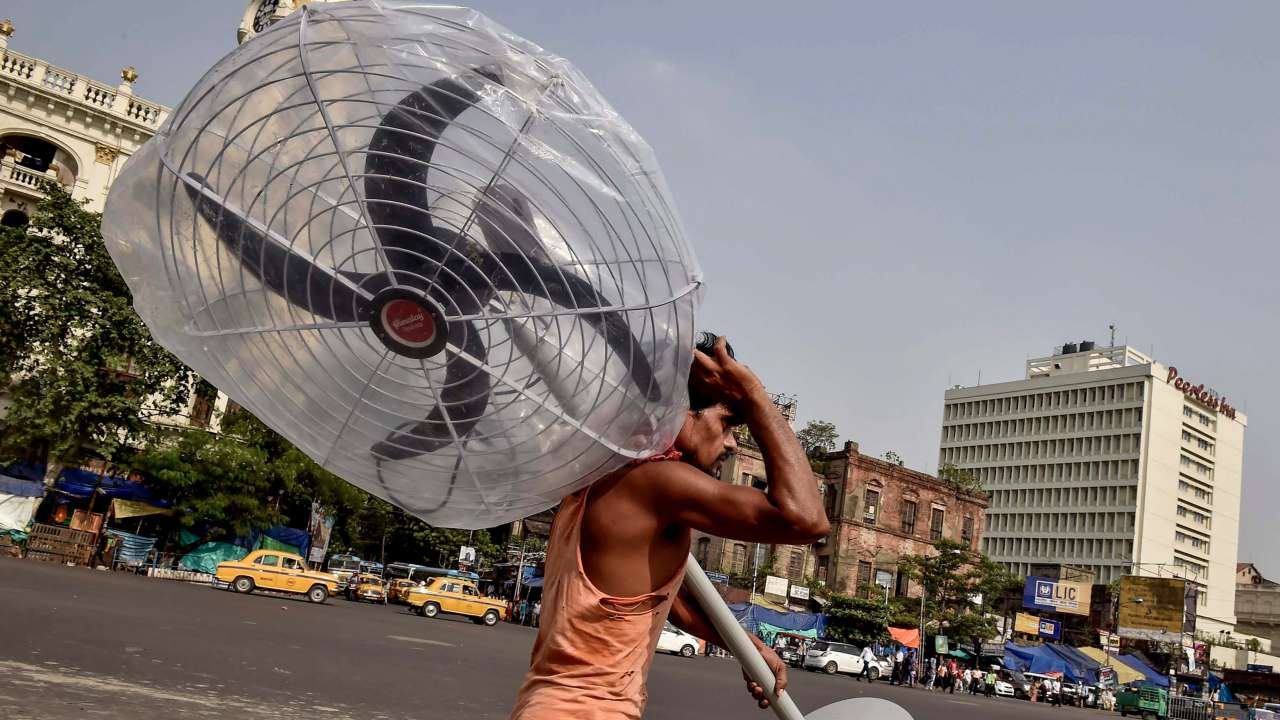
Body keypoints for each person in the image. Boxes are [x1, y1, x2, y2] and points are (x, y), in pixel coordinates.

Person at [510, 336, 830, 719]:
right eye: (726, 423)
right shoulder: (658, 483)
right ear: (680, 411)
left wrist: (746, 644)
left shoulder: (600, 477)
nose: (730, 444)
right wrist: (752, 394)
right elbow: (807, 519)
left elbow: (659, 601)